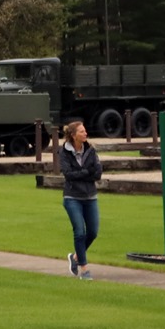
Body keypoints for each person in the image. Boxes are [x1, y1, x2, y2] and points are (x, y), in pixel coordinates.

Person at [57, 119, 101, 279]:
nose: (85, 133)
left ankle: (75, 257)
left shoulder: (91, 150)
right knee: (79, 232)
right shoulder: (64, 152)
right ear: (74, 135)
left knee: (93, 232)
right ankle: (84, 269)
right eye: (82, 131)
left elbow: (97, 173)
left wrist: (83, 174)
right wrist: (85, 172)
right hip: (72, 197)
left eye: (85, 131)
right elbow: (68, 175)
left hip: (90, 196)